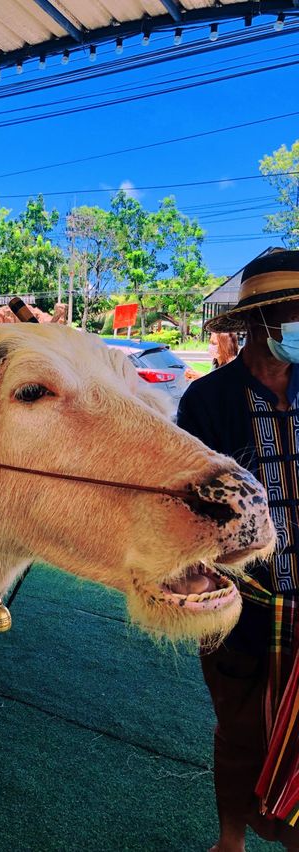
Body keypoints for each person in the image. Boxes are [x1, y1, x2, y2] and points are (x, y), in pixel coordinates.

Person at [177, 250, 299, 852]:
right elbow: (193, 510)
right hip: (244, 603)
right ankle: (231, 839)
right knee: (241, 731)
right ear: (260, 322)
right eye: (295, 317)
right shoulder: (207, 403)